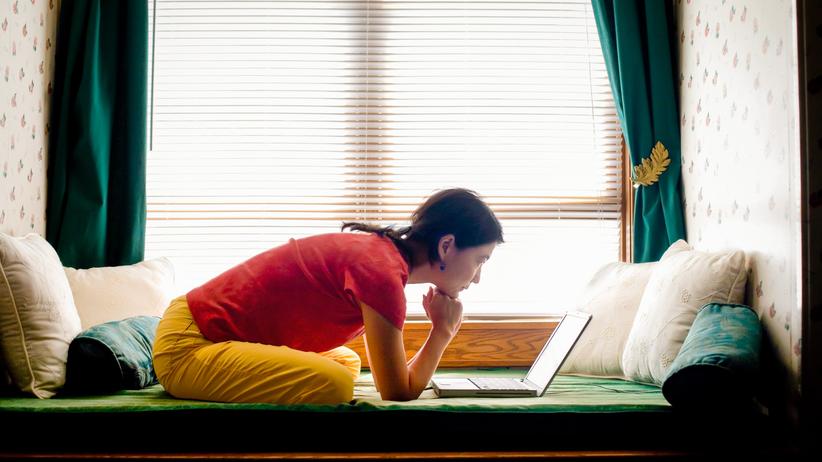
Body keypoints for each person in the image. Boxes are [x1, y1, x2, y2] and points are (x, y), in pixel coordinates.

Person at [152, 188, 504, 404]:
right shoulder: (381, 273)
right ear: (446, 246)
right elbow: (397, 391)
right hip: (188, 347)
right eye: (480, 260)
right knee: (334, 384)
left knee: (345, 364)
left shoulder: (383, 258)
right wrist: (441, 333)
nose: (477, 278)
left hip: (190, 328)